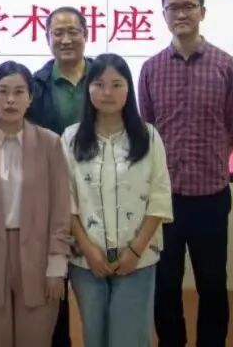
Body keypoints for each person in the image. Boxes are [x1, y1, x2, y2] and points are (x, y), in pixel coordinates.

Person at [139, 0, 233, 347]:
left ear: (202, 11)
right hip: (163, 201)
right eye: (173, 7)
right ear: (164, 15)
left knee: (212, 283)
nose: (181, 13)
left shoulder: (228, 67)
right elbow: (148, 129)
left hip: (211, 197)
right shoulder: (151, 69)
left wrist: (210, 162)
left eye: (188, 6)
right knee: (165, 284)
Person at [0, 61, 72, 347]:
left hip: (39, 255)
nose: (10, 99)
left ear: (30, 98)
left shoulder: (50, 143)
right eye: (3, 91)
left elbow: (61, 209)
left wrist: (57, 266)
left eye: (19, 92)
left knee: (36, 338)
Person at [63, 53, 173, 347]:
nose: (107, 92)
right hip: (87, 260)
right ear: (88, 88)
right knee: (95, 337)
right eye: (99, 84)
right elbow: (66, 199)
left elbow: (159, 196)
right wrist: (88, 250)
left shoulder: (149, 136)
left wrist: (135, 251)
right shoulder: (71, 138)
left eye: (116, 84)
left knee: (129, 338)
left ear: (129, 89)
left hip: (138, 258)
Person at [28, 6, 94, 346]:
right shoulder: (36, 84)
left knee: (97, 288)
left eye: (73, 31)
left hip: (98, 198)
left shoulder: (105, 76)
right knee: (53, 287)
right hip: (49, 198)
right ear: (47, 38)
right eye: (58, 33)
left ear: (86, 33)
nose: (66, 39)